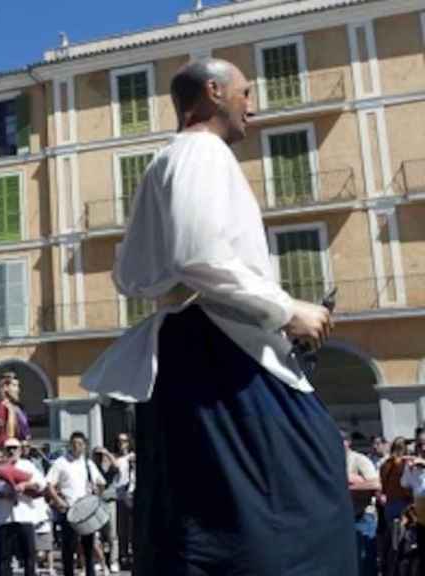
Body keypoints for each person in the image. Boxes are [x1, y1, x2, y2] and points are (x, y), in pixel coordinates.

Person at [81, 58, 353, 575]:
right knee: (300, 499)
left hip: (195, 355)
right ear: (213, 92)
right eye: (245, 92)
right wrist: (287, 309)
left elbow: (130, 275)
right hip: (224, 356)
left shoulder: (166, 163)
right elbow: (199, 255)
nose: (252, 104)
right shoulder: (201, 153)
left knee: (205, 516)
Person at [46, 432, 105, 576]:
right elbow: (49, 484)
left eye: (80, 444)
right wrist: (58, 500)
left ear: (84, 445)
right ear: (70, 445)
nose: (77, 447)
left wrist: (97, 493)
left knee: (88, 548)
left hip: (86, 511)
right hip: (69, 509)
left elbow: (101, 482)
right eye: (74, 444)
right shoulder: (61, 462)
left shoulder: (88, 463)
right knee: (68, 548)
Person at [0, 438, 47, 576]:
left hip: (24, 517)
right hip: (5, 518)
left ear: (19, 450)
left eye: (14, 448)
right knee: (4, 559)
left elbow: (41, 484)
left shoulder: (27, 465)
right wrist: (6, 493)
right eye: (8, 449)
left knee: (29, 557)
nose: (11, 451)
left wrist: (24, 485)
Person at [345, 429, 381, 576]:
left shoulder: (359, 460)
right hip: (346, 518)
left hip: (363, 517)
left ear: (347, 442)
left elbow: (375, 484)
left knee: (365, 561)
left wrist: (348, 487)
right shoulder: (333, 460)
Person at [380, 436, 412, 574]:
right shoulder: (404, 463)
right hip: (403, 505)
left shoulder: (385, 464)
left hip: (389, 505)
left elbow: (383, 485)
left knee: (392, 542)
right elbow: (405, 487)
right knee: (402, 543)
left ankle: (390, 568)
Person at [93, 445, 120, 574]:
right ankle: (99, 560)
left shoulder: (109, 469)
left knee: (112, 534)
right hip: (96, 503)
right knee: (97, 534)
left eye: (101, 455)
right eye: (97, 455)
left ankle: (114, 561)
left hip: (109, 502)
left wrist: (107, 453)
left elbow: (117, 466)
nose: (99, 458)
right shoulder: (92, 468)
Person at [113, 433, 135, 569]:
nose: (122, 444)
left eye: (125, 441)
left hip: (132, 495)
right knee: (121, 529)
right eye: (119, 441)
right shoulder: (115, 458)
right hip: (119, 496)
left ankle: (132, 555)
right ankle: (123, 556)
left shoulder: (132, 457)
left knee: (133, 528)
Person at [0, 371, 30, 447]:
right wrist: (11, 412)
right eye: (14, 385)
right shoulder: (3, 407)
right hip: (11, 448)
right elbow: (8, 434)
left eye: (17, 386)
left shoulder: (18, 407)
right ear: (5, 388)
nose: (18, 389)